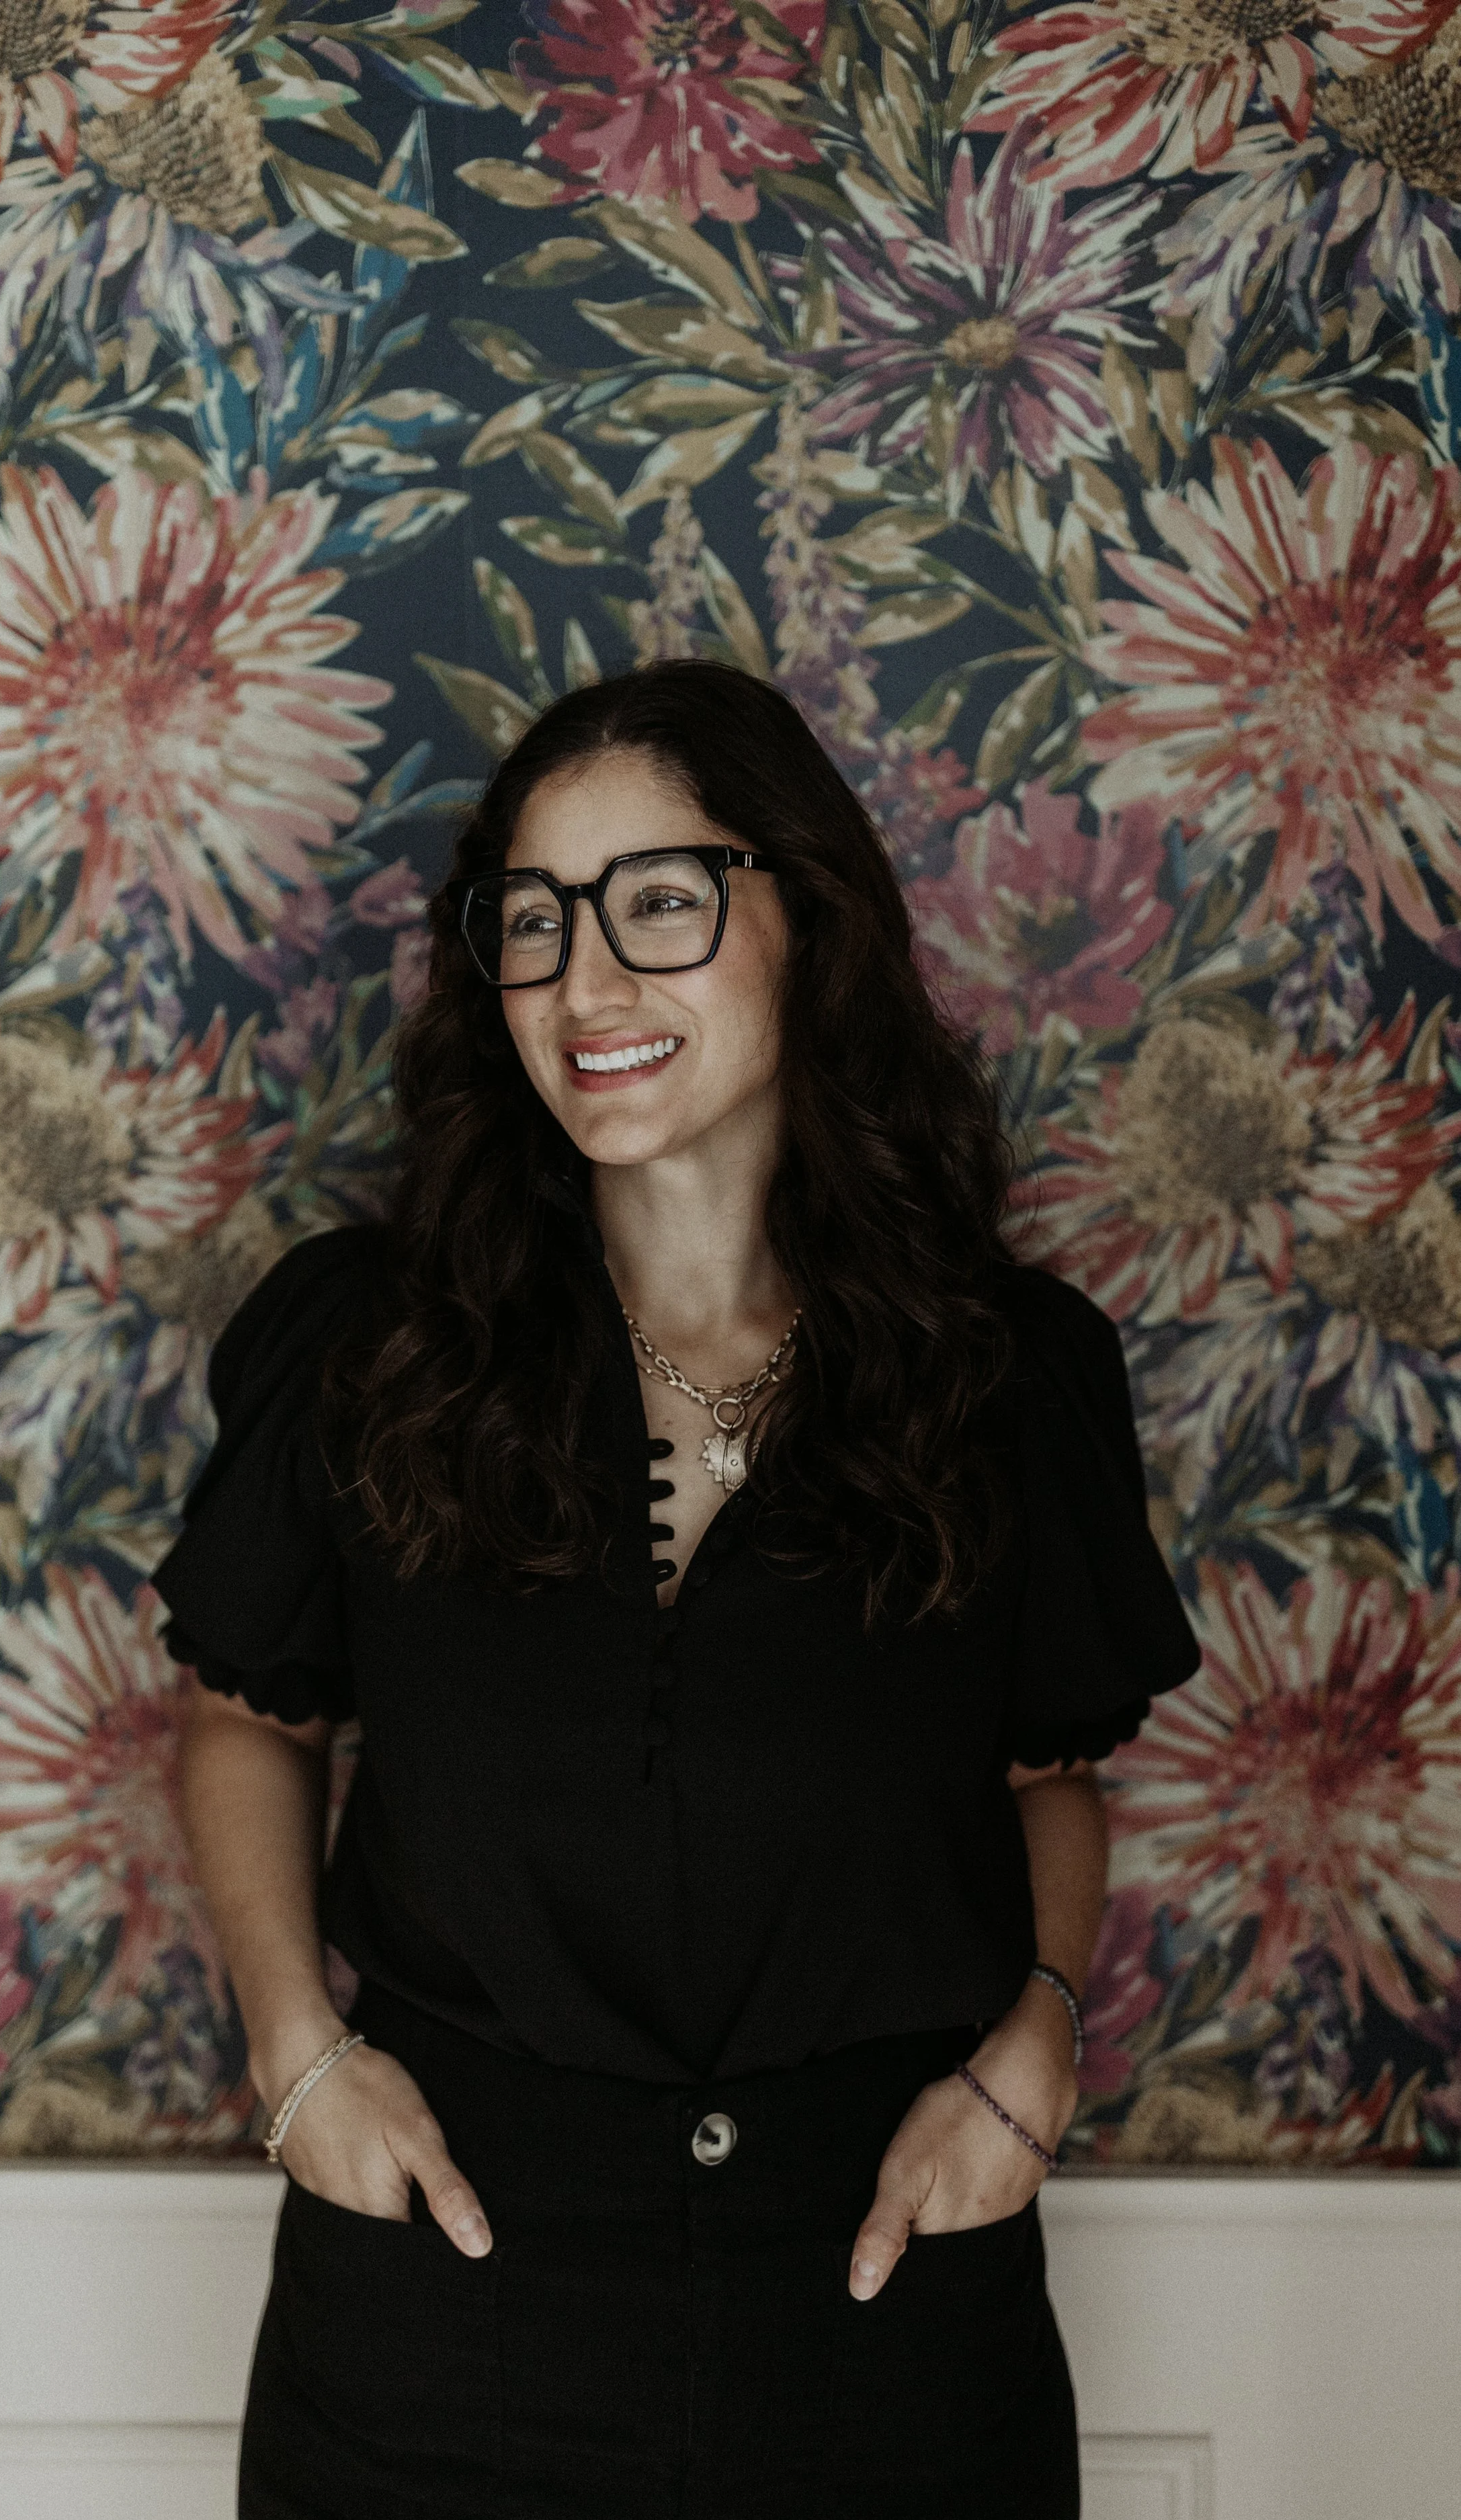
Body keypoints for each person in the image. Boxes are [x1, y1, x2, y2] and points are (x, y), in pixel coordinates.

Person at [152, 659, 1201, 2520]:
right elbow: (248, 1716)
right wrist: (295, 2053)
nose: (586, 985)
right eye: (534, 924)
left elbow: (1046, 1770)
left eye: (660, 901)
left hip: (881, 2302)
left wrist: (1033, 2040)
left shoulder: (1003, 1370)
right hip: (444, 2318)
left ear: (807, 916)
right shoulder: (372, 1341)